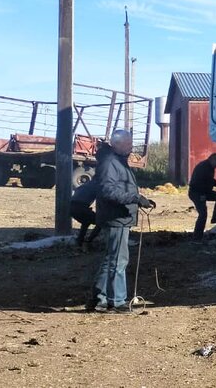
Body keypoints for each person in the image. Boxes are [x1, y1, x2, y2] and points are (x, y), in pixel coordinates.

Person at [87, 129, 155, 314]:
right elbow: (108, 192)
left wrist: (139, 198)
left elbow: (120, 188)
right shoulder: (110, 163)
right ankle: (116, 301)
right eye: (128, 144)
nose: (131, 147)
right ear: (117, 144)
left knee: (111, 258)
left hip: (119, 216)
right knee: (119, 260)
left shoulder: (116, 161)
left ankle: (97, 298)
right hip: (115, 217)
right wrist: (134, 198)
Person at [189, 153, 216, 240]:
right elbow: (197, 182)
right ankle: (197, 237)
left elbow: (210, 180)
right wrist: (202, 195)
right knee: (203, 214)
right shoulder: (203, 167)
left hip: (205, 192)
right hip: (196, 193)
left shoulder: (210, 167)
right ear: (212, 160)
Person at [69, 174, 101, 251]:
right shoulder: (98, 185)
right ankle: (88, 241)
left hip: (71, 207)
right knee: (101, 222)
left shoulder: (86, 184)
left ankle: (79, 241)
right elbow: (101, 202)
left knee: (86, 222)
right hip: (81, 207)